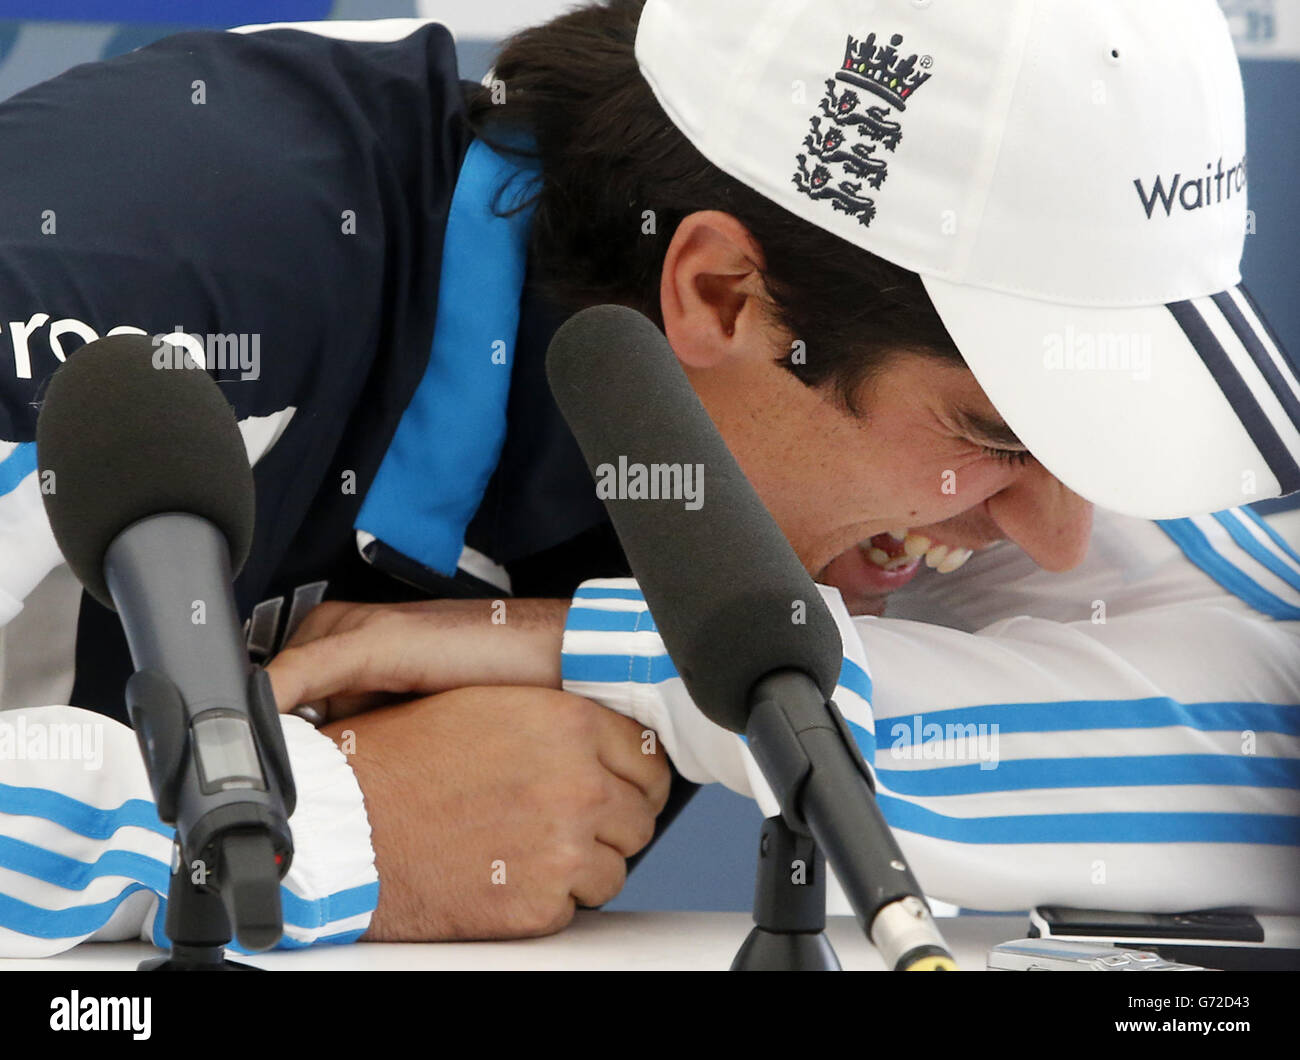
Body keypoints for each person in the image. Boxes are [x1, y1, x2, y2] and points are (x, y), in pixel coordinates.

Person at [1, 0, 1298, 954]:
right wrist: (349, 824)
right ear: (721, 294)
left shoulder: (869, 355)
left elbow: (1269, 731)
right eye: (999, 432)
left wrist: (600, 645)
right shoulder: (145, 277)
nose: (1058, 538)